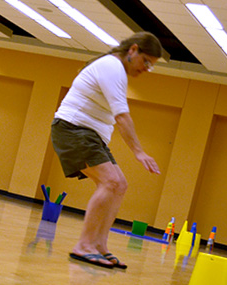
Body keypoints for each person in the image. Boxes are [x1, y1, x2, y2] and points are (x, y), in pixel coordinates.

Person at [53, 31, 162, 270]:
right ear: (133, 50)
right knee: (110, 182)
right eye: (146, 62)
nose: (146, 69)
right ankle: (83, 245)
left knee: (119, 184)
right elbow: (121, 116)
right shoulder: (112, 67)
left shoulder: (115, 69)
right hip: (73, 128)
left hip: (89, 134)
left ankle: (99, 245)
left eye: (151, 66)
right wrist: (139, 152)